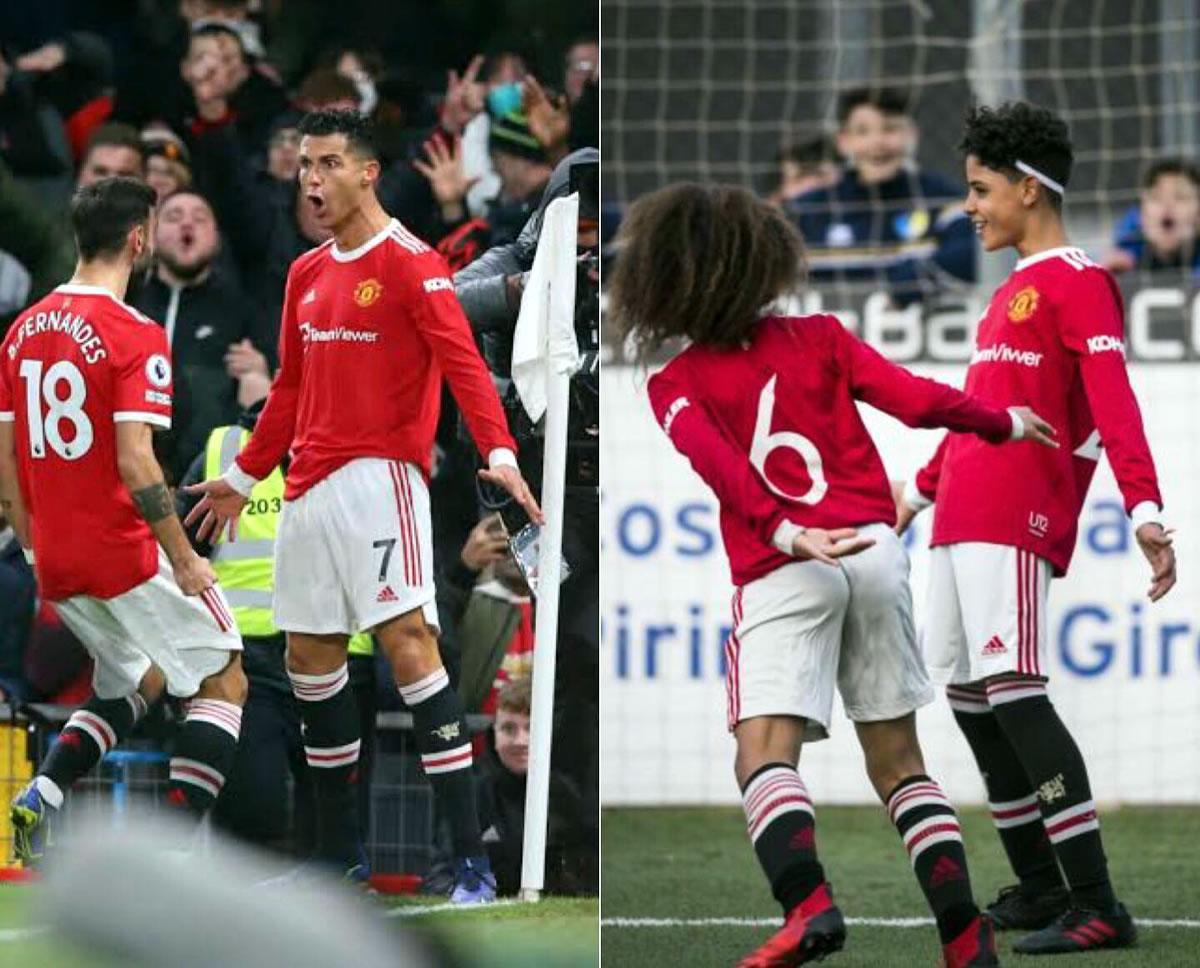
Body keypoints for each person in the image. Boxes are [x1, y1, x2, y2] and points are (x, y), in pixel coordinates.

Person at [608, 182, 1061, 968]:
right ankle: (964, 935)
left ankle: (808, 908)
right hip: (877, 553)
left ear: (669, 277)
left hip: (787, 564)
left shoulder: (672, 382)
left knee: (763, 752)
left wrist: (786, 529)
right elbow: (914, 401)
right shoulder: (819, 334)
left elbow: (721, 470)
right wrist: (1003, 420)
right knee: (899, 763)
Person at [184, 110, 541, 903]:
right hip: (306, 491)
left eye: (328, 163)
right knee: (311, 662)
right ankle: (339, 857)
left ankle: (472, 862)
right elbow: (288, 392)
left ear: (368, 173)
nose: (311, 179)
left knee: (410, 646)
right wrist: (243, 477)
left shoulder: (413, 264)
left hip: (384, 483)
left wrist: (502, 456)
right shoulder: (307, 273)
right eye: (305, 164)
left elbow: (466, 368)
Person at [894, 101, 1175, 956]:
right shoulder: (1010, 290)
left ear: (1028, 188)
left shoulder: (1079, 280)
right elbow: (984, 413)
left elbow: (1114, 401)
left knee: (1013, 687)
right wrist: (919, 489)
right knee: (972, 694)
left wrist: (1147, 507)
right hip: (957, 516)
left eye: (980, 190)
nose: (968, 205)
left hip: (1016, 515)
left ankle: (1097, 902)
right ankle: (1042, 885)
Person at [0, 177, 246, 864]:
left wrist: (32, 547)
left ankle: (41, 796)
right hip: (124, 550)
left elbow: (6, 462)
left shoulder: (20, 332)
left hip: (56, 556)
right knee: (225, 678)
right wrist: (186, 557)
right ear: (139, 240)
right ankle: (170, 862)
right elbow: (138, 462)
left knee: (139, 678)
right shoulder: (134, 333)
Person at [174, 400, 376, 859]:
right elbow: (182, 548)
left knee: (334, 820)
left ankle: (333, 901)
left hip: (341, 653)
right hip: (248, 662)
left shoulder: (356, 446)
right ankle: (248, 911)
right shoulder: (225, 448)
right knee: (251, 811)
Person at [131, 188, 270, 481]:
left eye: (199, 218)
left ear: (217, 239)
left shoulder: (240, 308)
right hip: (128, 467)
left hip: (204, 479)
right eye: (173, 217)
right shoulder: (127, 297)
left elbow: (269, 390)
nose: (187, 224)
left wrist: (260, 378)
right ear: (151, 236)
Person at [789, 86, 975, 307]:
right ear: (843, 142)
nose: (877, 142)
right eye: (862, 131)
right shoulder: (808, 209)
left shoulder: (942, 198)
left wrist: (898, 291)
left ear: (911, 135)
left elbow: (975, 254)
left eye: (890, 129)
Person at [1103, 158, 1200, 277]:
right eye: (1156, 197)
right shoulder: (1121, 264)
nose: (1167, 205)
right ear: (1141, 215)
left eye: (1180, 197)